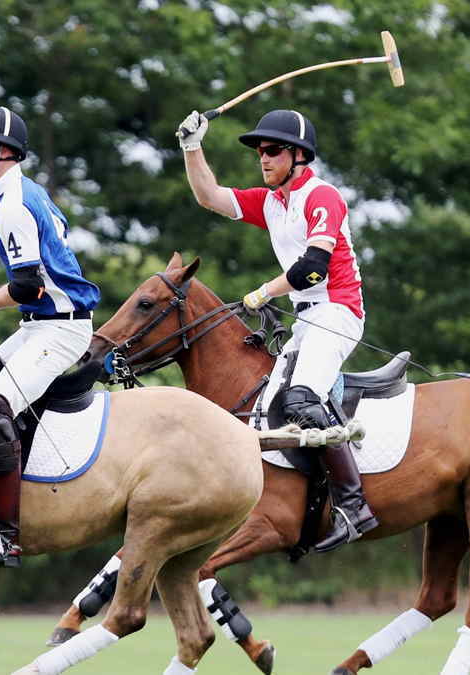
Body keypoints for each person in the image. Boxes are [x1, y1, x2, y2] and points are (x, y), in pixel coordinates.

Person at [176, 108, 377, 551]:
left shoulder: (322, 196)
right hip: (306, 317)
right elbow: (209, 196)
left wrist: (263, 293)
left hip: (338, 310)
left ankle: (353, 505)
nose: (262, 159)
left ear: (299, 155)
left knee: (302, 398)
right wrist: (192, 147)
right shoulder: (272, 202)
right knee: (267, 405)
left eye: (271, 151)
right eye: (259, 152)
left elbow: (312, 269)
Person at [0, 105, 100, 566]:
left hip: (60, 330)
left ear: (4, 153)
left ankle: (4, 535)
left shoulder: (14, 202)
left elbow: (27, 286)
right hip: (39, 326)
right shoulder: (16, 194)